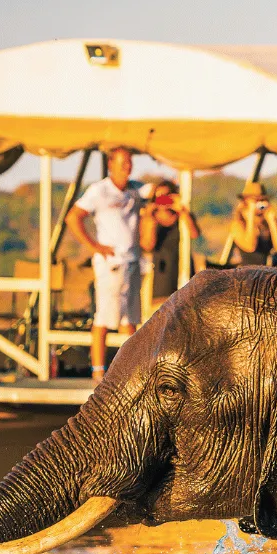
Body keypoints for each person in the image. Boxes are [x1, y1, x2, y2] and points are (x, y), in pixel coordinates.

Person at [68, 146, 143, 379]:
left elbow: (160, 193)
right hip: (110, 263)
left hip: (131, 262)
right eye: (122, 163)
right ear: (110, 165)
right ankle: (98, 372)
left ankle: (131, 370)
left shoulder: (135, 191)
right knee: (104, 317)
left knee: (129, 319)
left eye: (129, 163)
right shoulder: (99, 190)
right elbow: (74, 217)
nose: (127, 168)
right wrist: (95, 247)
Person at [139, 178, 201, 302]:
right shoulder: (150, 218)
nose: (163, 201)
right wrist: (150, 217)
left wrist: (182, 211)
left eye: (167, 196)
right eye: (159, 197)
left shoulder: (182, 216)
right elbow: (147, 245)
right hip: (161, 270)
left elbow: (194, 234)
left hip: (183, 266)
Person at [227, 181, 277, 266]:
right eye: (256, 200)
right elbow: (250, 246)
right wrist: (251, 217)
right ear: (245, 201)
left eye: (262, 200)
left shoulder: (266, 223)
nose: (260, 203)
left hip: (268, 271)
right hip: (248, 273)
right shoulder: (237, 224)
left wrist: (272, 221)